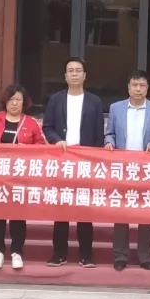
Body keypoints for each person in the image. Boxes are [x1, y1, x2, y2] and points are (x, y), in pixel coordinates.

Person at [42, 58, 104, 267]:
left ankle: (86, 254)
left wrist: (95, 159)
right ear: (65, 76)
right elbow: (48, 127)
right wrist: (56, 140)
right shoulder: (56, 100)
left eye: (78, 70)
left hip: (86, 161)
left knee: (84, 210)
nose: (74, 74)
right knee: (61, 208)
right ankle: (59, 253)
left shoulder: (95, 101)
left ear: (85, 75)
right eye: (71, 71)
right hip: (63, 160)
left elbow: (99, 133)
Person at [105, 70, 150, 271]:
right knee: (121, 212)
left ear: (147, 88)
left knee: (145, 212)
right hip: (122, 167)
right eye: (134, 85)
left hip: (146, 168)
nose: (138, 89)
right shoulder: (116, 108)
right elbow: (109, 133)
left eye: (142, 85)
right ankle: (120, 256)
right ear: (128, 87)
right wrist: (109, 142)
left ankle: (145, 257)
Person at [0, 84, 45, 270]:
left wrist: (28, 149)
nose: (14, 103)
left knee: (18, 215)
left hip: (20, 176)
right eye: (11, 99)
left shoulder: (31, 123)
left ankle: (17, 251)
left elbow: (41, 146)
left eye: (18, 100)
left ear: (24, 103)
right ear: (5, 101)